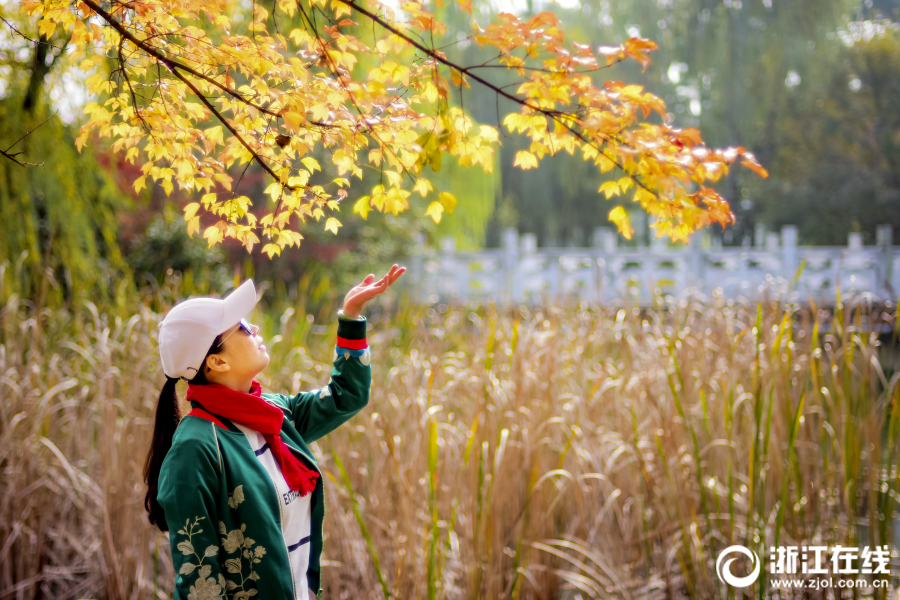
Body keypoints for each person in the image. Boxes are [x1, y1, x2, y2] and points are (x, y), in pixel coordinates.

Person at [143, 265, 405, 599]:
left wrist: (351, 316)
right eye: (239, 327)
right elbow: (199, 584)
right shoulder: (195, 448)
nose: (252, 326)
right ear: (217, 363)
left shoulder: (273, 413)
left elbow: (345, 396)